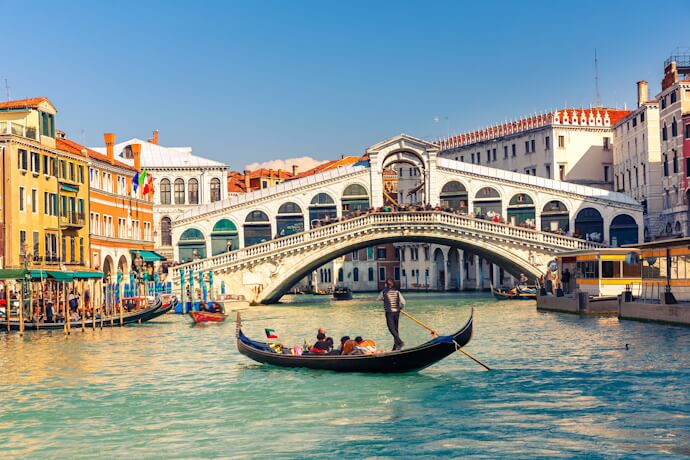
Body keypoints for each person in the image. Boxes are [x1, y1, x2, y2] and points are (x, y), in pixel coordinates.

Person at [377, 279, 406, 351]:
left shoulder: (383, 292)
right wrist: (400, 308)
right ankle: (396, 346)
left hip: (389, 312)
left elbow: (378, 299)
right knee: (396, 329)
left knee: (391, 329)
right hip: (397, 312)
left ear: (386, 284)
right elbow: (403, 302)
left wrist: (384, 299)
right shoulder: (397, 292)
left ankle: (400, 342)